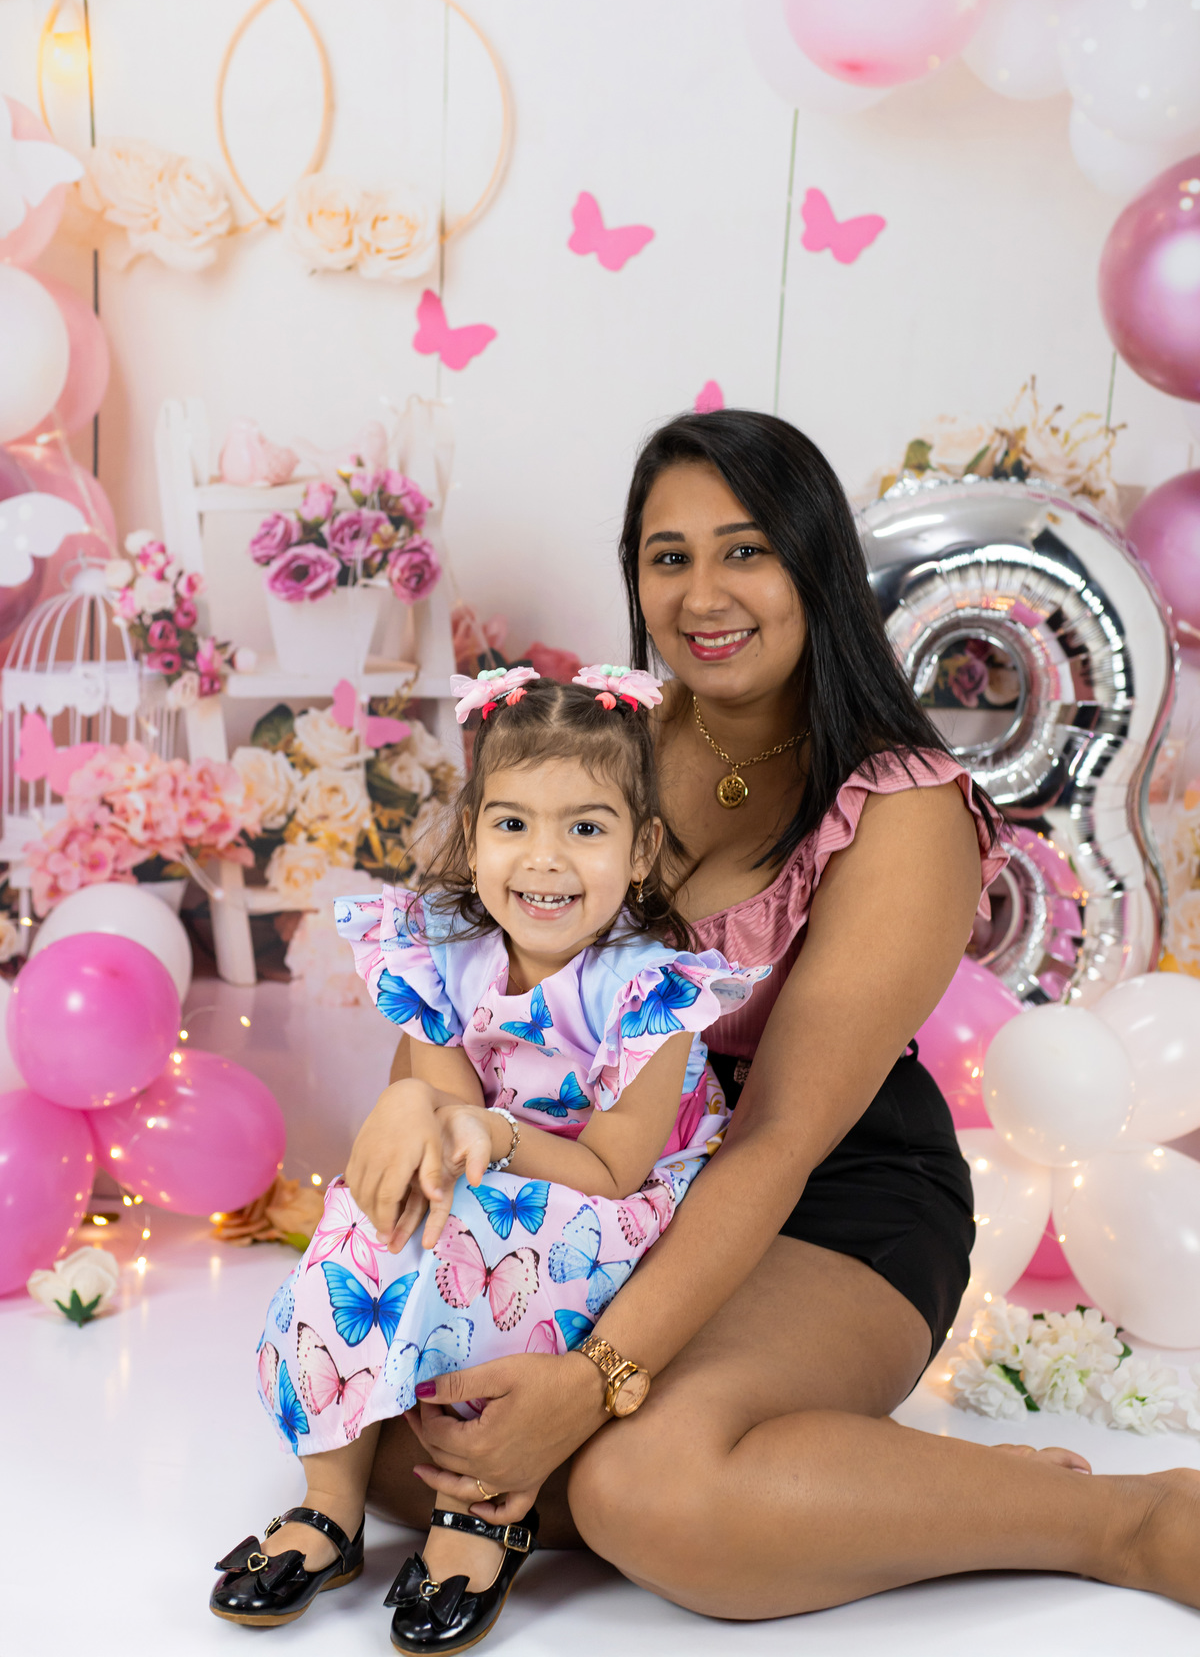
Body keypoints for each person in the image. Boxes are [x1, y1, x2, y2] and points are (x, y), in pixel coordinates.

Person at [361, 409, 1200, 1620]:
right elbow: (459, 988)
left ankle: (1125, 1520)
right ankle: (840, 1483)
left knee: (649, 1490)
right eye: (670, 556)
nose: (705, 594)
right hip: (597, 1179)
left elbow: (777, 1142)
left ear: (815, 563)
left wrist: (595, 1381)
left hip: (828, 1194)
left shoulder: (902, 804)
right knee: (385, 1435)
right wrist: (415, 1127)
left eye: (746, 551)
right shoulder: (593, 749)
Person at [210, 665, 765, 1648]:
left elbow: (613, 1170)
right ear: (472, 838)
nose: (544, 860)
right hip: (491, 1172)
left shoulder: (649, 992)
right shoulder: (444, 954)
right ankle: (331, 1500)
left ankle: (482, 1507)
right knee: (370, 1219)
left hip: (606, 1195)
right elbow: (441, 1110)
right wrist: (415, 1115)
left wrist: (491, 1139)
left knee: (480, 1246)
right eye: (513, 824)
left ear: (640, 850)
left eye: (585, 828)